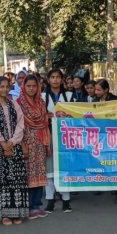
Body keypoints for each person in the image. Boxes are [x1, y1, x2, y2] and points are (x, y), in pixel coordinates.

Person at [0, 77, 29, 224]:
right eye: (1, 87)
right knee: (1, 181)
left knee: (16, 180)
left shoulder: (14, 105)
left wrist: (12, 142)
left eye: (7, 87)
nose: (4, 89)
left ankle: (15, 212)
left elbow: (20, 124)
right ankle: (4, 214)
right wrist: (3, 143)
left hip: (14, 147)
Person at [18, 74, 52, 218]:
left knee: (40, 172)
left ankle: (37, 205)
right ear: (23, 87)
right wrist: (23, 145)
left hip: (40, 141)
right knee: (29, 174)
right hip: (27, 141)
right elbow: (17, 127)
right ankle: (29, 206)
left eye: (34, 86)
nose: (31, 89)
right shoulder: (18, 103)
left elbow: (45, 120)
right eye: (28, 86)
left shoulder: (41, 102)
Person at [42, 69, 73, 213]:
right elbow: (39, 117)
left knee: (64, 169)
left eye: (58, 77)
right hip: (48, 136)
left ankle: (66, 201)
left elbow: (76, 115)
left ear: (62, 79)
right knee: (49, 170)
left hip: (65, 137)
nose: (55, 80)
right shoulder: (41, 97)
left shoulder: (69, 96)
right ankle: (50, 201)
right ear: (48, 79)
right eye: (52, 77)